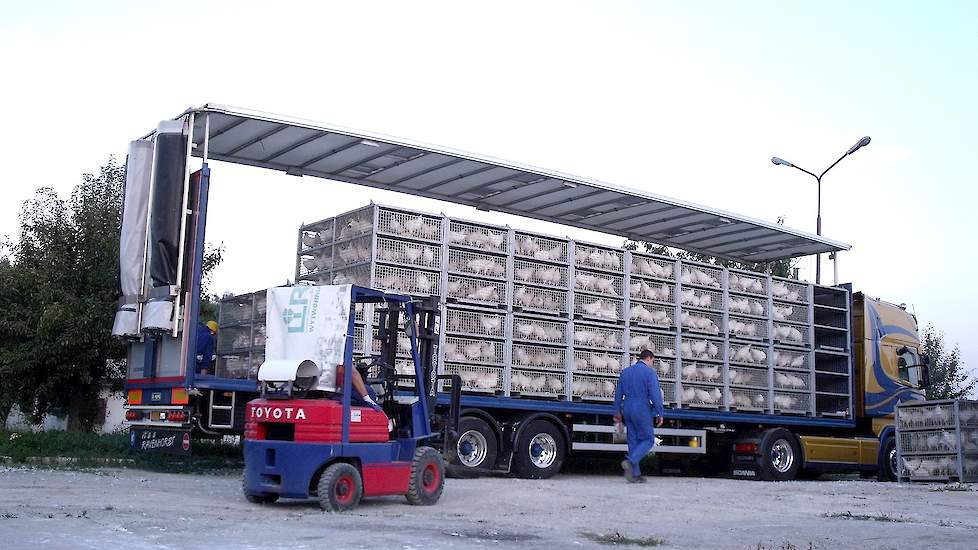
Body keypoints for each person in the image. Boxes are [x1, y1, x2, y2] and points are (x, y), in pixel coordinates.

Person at [613, 349, 665, 483]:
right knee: (648, 439)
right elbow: (655, 394)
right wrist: (660, 412)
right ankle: (630, 461)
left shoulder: (625, 372)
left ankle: (635, 474)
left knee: (633, 441)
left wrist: (617, 411)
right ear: (648, 359)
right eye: (652, 361)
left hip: (627, 407)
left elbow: (618, 394)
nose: (652, 364)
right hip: (641, 408)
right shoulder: (649, 373)